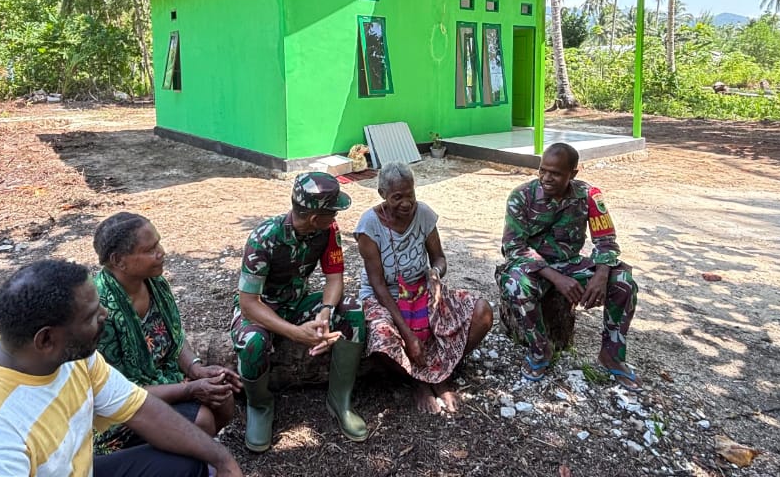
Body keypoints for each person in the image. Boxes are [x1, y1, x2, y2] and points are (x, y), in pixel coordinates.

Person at [0, 260, 242, 477]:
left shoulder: (73, 359)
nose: (106, 316)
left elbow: (142, 411)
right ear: (46, 340)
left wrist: (222, 459)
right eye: (91, 316)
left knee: (190, 463)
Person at [231, 172, 368, 452]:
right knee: (252, 344)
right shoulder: (263, 239)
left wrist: (326, 312)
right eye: (332, 211)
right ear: (315, 217)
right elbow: (248, 304)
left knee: (353, 311)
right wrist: (296, 334)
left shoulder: (328, 231)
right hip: (262, 309)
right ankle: (259, 405)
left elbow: (334, 278)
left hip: (298, 303)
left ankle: (339, 400)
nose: (336, 216)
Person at [91, 212, 241, 454]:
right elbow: (115, 393)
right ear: (119, 260)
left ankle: (192, 453)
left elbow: (174, 336)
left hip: (164, 380)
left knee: (223, 397)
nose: (162, 252)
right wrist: (190, 388)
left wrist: (196, 369)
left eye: (158, 243)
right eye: (150, 249)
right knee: (201, 420)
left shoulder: (154, 283)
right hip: (121, 407)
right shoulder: (99, 312)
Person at [495, 144, 641, 390]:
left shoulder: (589, 195)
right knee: (516, 285)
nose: (546, 178)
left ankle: (612, 354)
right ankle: (541, 349)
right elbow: (513, 247)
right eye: (543, 170)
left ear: (572, 174)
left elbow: (606, 240)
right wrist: (555, 278)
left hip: (571, 264)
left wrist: (602, 275)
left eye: (555, 173)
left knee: (624, 282)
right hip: (534, 267)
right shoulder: (522, 196)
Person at [354, 163, 493, 414]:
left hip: (422, 291)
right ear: (382, 194)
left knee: (482, 312)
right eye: (397, 197)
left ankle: (439, 374)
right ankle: (418, 380)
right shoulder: (369, 226)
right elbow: (377, 285)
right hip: (385, 296)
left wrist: (435, 274)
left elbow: (439, 258)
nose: (406, 203)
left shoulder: (425, 214)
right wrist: (407, 334)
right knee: (381, 339)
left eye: (410, 194)